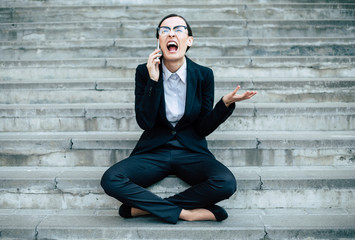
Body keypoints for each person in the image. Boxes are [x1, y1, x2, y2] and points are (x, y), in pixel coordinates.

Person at [101, 14, 257, 224]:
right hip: (154, 150)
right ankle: (185, 213)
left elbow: (202, 128)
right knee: (111, 179)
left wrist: (224, 105)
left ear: (189, 40)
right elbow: (145, 122)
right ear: (159, 40)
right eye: (164, 30)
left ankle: (146, 209)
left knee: (226, 183)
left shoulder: (203, 75)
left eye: (178, 29)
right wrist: (153, 81)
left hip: (190, 151)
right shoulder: (144, 72)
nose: (171, 33)